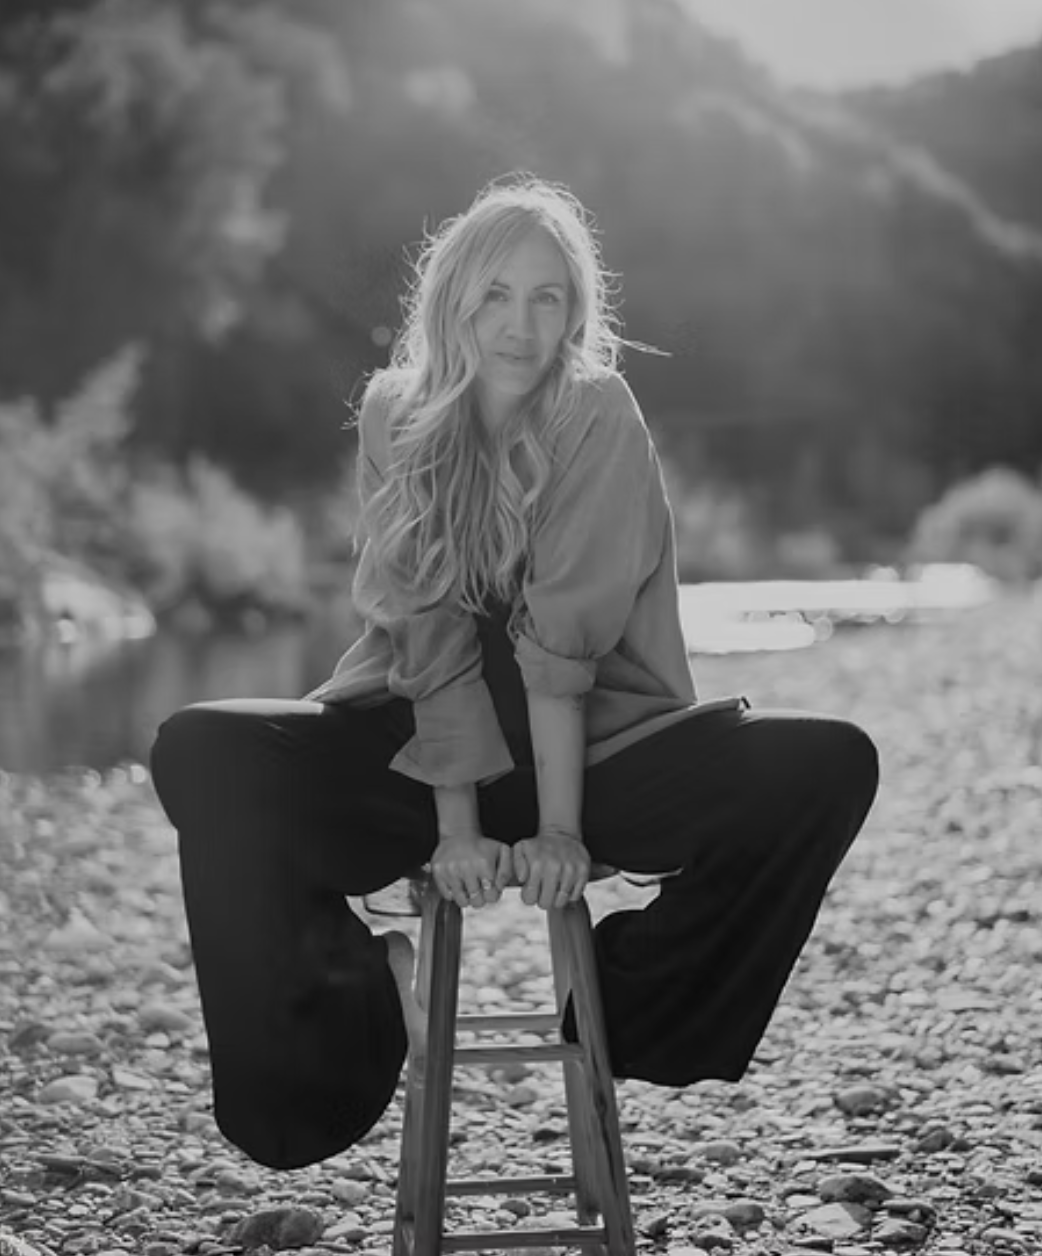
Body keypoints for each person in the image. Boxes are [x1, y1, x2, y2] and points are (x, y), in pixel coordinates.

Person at [150, 174, 878, 1172]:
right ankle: (354, 1006)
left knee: (830, 764)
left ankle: (621, 1003)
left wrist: (563, 833)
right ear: (451, 299)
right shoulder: (394, 412)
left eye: (547, 297)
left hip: (591, 748)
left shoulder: (595, 411)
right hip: (416, 748)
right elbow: (426, 629)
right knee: (200, 748)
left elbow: (559, 647)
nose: (520, 323)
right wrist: (454, 830)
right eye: (495, 293)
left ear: (575, 311)